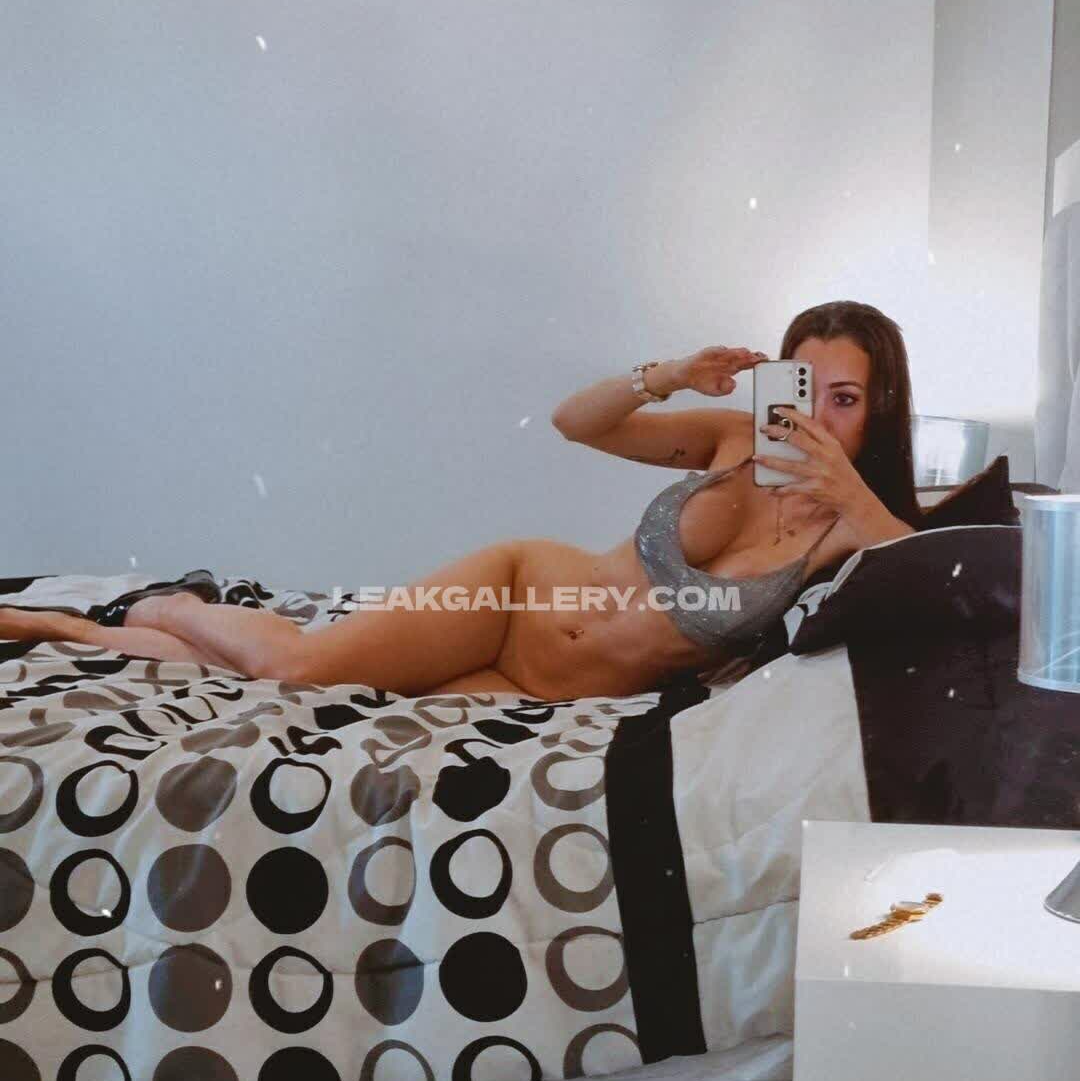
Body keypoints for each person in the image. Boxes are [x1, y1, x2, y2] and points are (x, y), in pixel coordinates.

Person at [0, 300, 920, 700]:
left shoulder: (858, 531)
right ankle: (173, 605)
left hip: (547, 688)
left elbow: (925, 573)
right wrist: (672, 373)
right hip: (514, 596)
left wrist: (844, 486)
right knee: (303, 670)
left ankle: (67, 629)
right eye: (803, 388)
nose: (816, 418)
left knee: (297, 691)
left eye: (844, 399)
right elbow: (575, 422)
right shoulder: (731, 441)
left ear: (879, 405)